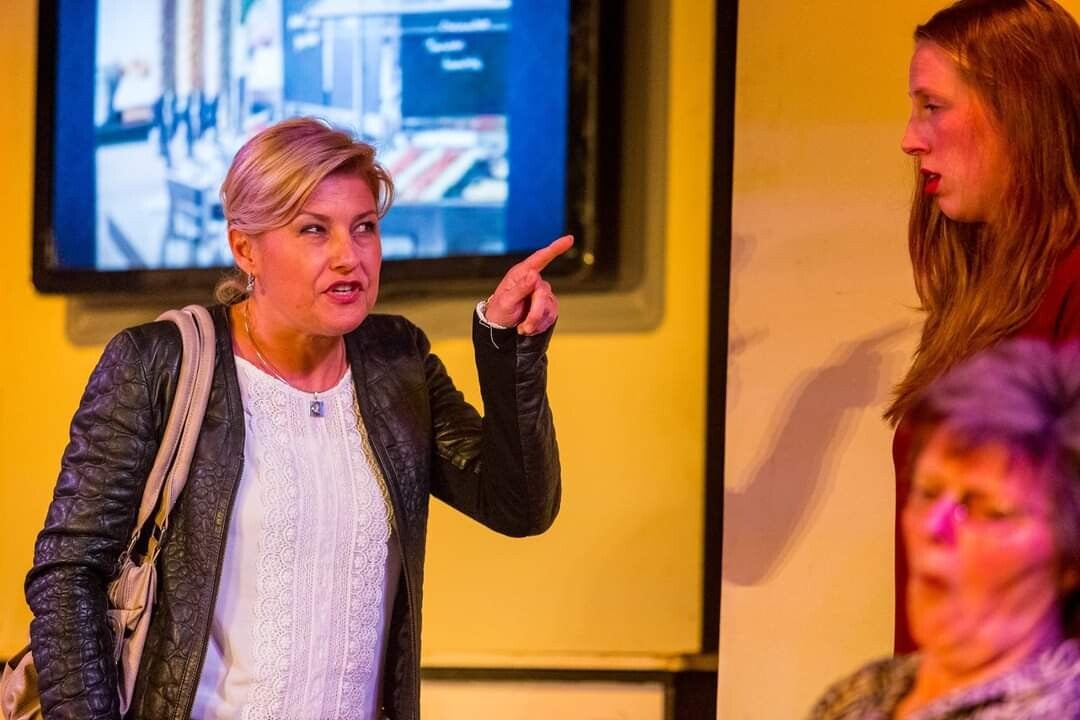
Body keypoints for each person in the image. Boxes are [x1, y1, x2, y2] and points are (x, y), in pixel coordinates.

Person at [24, 117, 569, 720]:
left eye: (364, 227)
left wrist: (507, 345)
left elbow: (520, 505)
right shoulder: (158, 364)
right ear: (245, 248)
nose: (348, 257)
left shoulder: (397, 363)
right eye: (314, 229)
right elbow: (67, 576)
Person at [889, 0, 1080, 651]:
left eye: (932, 107)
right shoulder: (980, 301)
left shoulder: (1071, 291)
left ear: (1018, 111)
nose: (910, 139)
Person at [811, 339, 1080, 719]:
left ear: (1069, 561)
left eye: (988, 511)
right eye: (927, 493)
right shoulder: (863, 693)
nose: (933, 525)